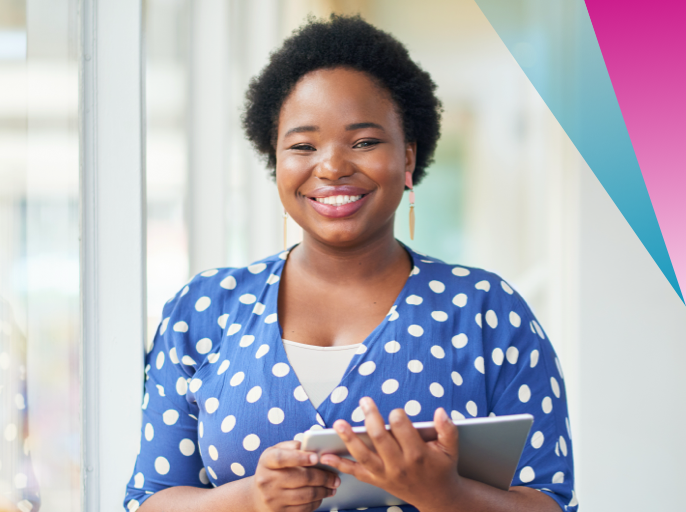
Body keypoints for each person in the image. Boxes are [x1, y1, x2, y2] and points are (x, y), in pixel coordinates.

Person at [125, 14, 577, 512]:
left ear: (407, 160)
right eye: (303, 146)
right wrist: (252, 498)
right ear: (276, 164)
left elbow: (550, 501)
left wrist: (447, 496)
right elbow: (149, 501)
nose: (333, 166)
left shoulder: (489, 312)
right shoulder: (203, 309)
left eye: (364, 142)